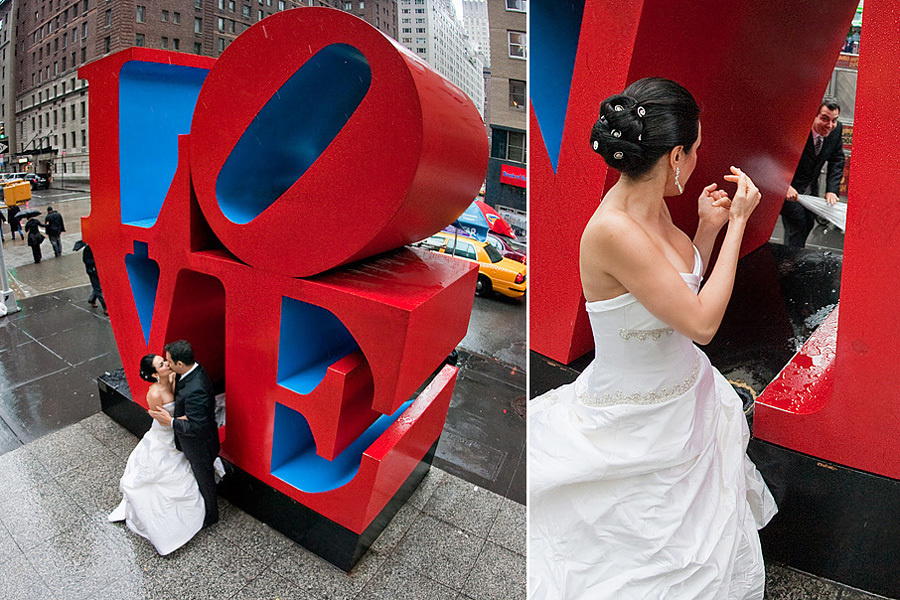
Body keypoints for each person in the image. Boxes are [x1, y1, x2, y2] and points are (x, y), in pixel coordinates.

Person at [528, 78, 777, 599]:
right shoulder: (613, 230)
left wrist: (706, 230)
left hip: (685, 398)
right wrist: (737, 225)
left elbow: (671, 294)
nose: (698, 157)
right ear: (676, 156)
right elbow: (701, 324)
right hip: (635, 420)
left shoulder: (654, 206)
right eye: (697, 148)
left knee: (697, 542)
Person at [109, 354, 206, 555]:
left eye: (164, 360)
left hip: (178, 430)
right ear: (154, 374)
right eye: (161, 364)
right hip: (165, 435)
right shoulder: (154, 394)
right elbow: (162, 420)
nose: (166, 364)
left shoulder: (173, 376)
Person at [149, 339, 221, 528]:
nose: (168, 364)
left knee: (205, 480)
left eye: (169, 361)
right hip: (191, 440)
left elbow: (197, 428)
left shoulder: (197, 388)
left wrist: (171, 421)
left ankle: (211, 515)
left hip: (200, 446)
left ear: (180, 364)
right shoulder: (189, 372)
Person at [780, 96, 846, 248]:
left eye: (834, 120)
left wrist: (832, 190)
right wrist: (784, 185)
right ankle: (791, 263)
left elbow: (837, 160)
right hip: (791, 189)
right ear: (813, 116)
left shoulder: (836, 131)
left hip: (810, 189)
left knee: (808, 222)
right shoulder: (797, 129)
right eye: (824, 119)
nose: (830, 125)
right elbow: (777, 158)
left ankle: (794, 257)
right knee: (797, 225)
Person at [81, 243, 108, 315]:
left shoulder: (99, 247)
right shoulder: (87, 249)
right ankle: (105, 307)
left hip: (100, 270)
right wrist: (97, 260)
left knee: (99, 287)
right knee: (98, 288)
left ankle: (92, 299)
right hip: (93, 271)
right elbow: (86, 260)